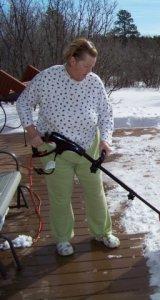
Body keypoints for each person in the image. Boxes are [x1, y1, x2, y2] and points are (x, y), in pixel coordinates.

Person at [16, 37, 120, 256]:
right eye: (86, 66)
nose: (90, 71)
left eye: (92, 67)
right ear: (73, 60)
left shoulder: (93, 81)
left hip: (88, 146)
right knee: (60, 196)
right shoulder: (47, 77)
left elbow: (106, 112)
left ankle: (102, 232)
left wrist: (106, 139)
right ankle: (63, 239)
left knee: (95, 193)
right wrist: (31, 130)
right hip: (55, 149)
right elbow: (23, 102)